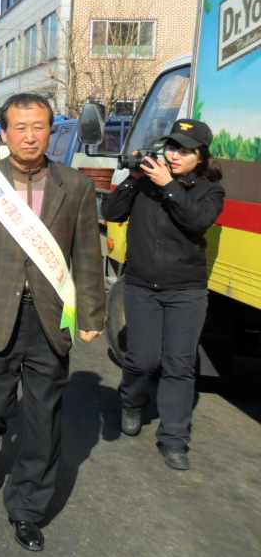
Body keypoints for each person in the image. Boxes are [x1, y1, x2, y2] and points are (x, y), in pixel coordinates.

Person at [0, 92, 105, 552]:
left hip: (50, 318)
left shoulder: (75, 185)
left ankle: (28, 508)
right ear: (5, 133)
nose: (30, 136)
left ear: (50, 130)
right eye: (20, 128)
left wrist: (92, 312)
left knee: (43, 418)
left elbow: (88, 254)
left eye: (38, 127)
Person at [101, 119, 225, 471]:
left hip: (186, 291)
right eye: (171, 147)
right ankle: (131, 402)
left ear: (200, 158)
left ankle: (174, 439)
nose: (174, 155)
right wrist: (133, 180)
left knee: (179, 365)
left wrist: (169, 185)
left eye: (184, 150)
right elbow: (110, 213)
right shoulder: (146, 184)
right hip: (141, 285)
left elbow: (197, 221)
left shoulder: (209, 191)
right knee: (141, 359)